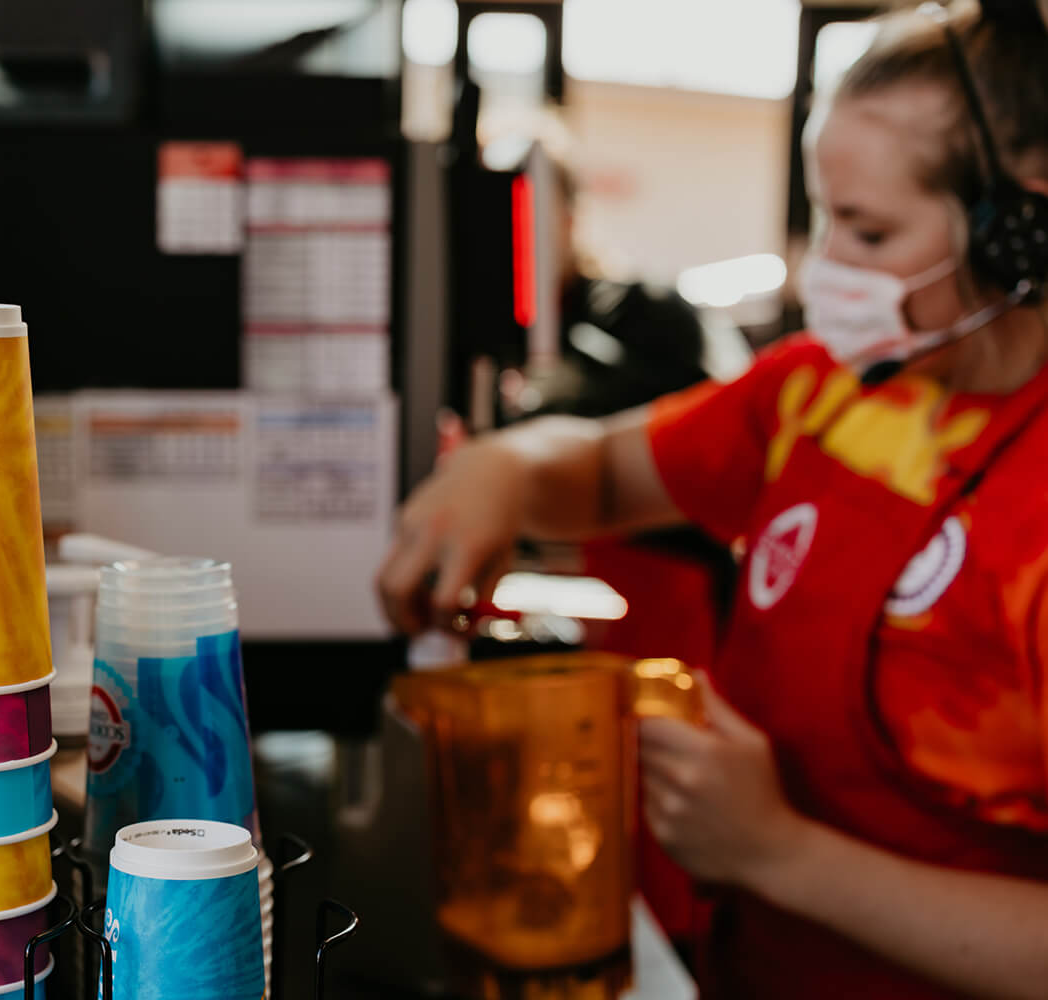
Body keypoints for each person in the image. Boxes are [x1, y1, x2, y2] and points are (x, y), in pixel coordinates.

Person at [376, 3, 1048, 997]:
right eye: (827, 221)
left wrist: (782, 854)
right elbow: (605, 471)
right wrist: (505, 471)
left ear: (1017, 227)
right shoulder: (816, 389)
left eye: (868, 230)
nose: (830, 269)